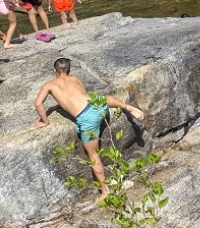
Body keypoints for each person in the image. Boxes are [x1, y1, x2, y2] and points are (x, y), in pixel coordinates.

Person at [33, 58, 145, 202]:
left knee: (93, 155)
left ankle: (105, 191)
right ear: (70, 70)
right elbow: (77, 95)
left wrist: (45, 121)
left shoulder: (49, 85)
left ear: (54, 71)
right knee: (103, 98)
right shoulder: (75, 78)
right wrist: (61, 105)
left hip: (87, 118)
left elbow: (38, 104)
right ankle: (126, 106)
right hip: (100, 104)